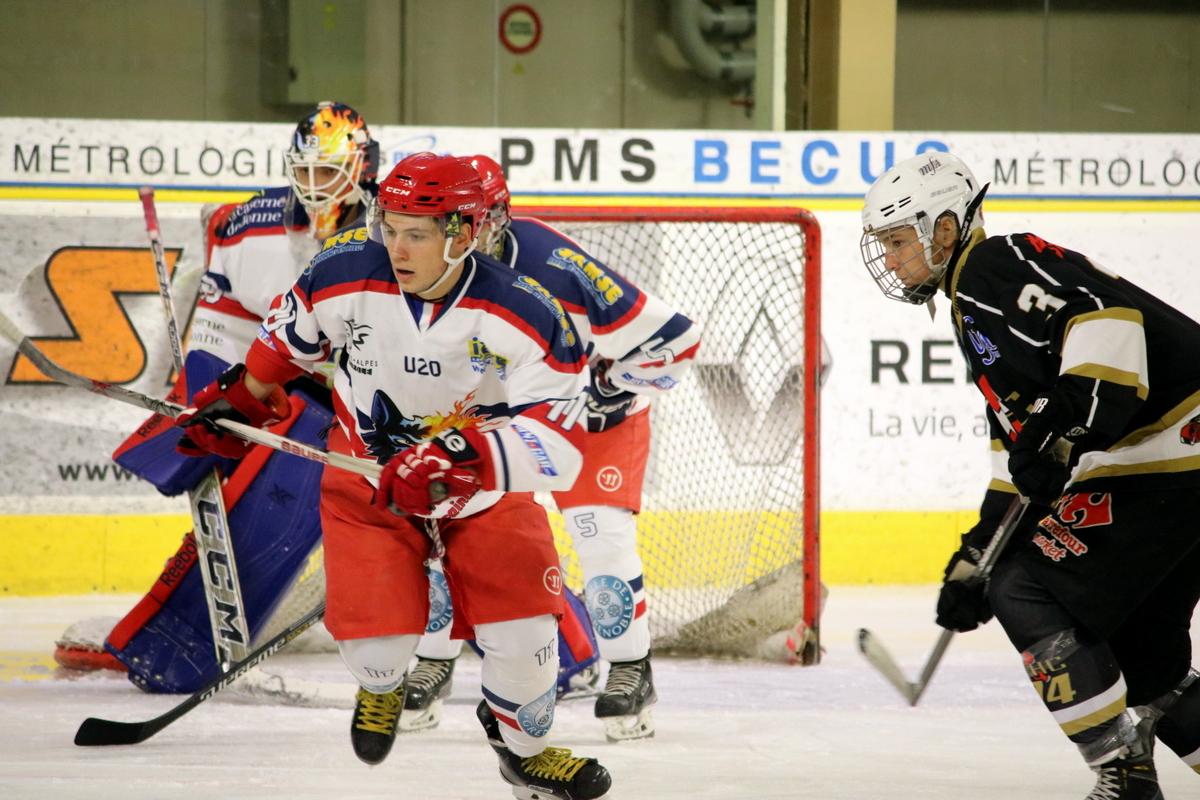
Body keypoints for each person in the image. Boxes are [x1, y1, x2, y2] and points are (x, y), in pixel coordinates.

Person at [175, 152, 612, 799]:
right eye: (391, 226)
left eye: (418, 232)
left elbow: (560, 440)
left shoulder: (526, 310)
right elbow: (282, 347)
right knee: (379, 650)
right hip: (370, 489)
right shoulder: (341, 272)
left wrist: (463, 458)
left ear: (464, 233)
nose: (397, 247)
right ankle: (381, 687)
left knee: (525, 636)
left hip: (484, 496)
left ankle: (524, 750)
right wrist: (242, 398)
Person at [859, 151, 1200, 799]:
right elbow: (1020, 454)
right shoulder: (972, 305)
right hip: (1171, 461)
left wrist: (1068, 424)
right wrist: (975, 558)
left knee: (1027, 590)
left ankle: (1120, 771)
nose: (893, 258)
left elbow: (1106, 319)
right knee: (1146, 655)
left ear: (945, 230)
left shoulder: (991, 265)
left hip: (1171, 449)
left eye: (901, 241)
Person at [53, 101, 378, 692]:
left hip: (377, 401)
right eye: (302, 171)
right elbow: (222, 324)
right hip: (287, 380)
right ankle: (185, 623)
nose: (312, 186)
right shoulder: (251, 227)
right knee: (192, 439)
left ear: (363, 164)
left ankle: (530, 635)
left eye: (326, 172)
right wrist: (215, 398)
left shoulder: (396, 231)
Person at [400, 154, 701, 742]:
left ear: (500, 218)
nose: (463, 238)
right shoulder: (429, 270)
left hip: (590, 415)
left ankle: (629, 671)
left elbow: (677, 338)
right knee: (441, 522)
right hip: (497, 414)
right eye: (452, 223)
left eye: (474, 222)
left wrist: (614, 385)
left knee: (598, 534)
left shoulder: (557, 265)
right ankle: (435, 658)